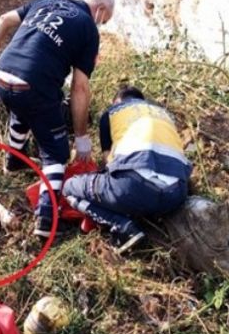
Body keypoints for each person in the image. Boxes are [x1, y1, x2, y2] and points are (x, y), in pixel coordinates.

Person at [0, 0, 115, 238]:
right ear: (100, 10)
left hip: (3, 75)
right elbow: (80, 87)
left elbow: (4, 20)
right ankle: (46, 219)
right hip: (35, 83)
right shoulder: (88, 29)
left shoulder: (47, 0)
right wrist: (81, 136)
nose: (100, 26)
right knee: (55, 152)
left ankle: (14, 161)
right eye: (103, 21)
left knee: (21, 110)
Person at [63, 86, 192, 254]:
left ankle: (122, 226)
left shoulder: (113, 112)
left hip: (135, 189)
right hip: (176, 195)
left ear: (117, 101)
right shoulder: (164, 115)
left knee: (69, 187)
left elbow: (109, 163)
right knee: (139, 192)